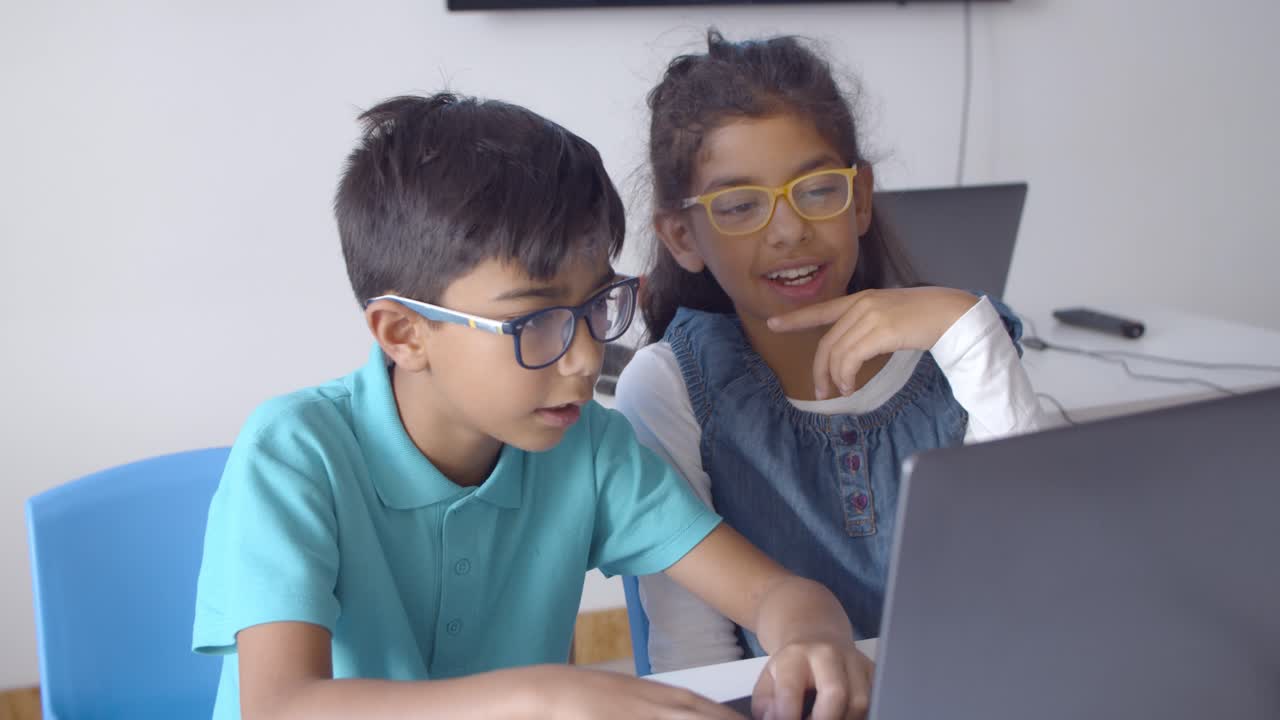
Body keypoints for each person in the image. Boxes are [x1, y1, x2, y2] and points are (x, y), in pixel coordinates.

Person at [193, 92, 875, 720]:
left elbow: (773, 595)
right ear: (405, 334)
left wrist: (811, 632)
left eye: (596, 306)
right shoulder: (296, 451)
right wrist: (538, 695)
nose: (584, 358)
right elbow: (282, 706)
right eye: (533, 322)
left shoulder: (588, 448)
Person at [615, 31, 1043, 673]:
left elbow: (1028, 573)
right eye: (738, 206)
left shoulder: (958, 347)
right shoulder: (670, 386)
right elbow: (694, 656)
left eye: (817, 190)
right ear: (682, 236)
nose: (788, 231)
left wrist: (967, 327)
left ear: (860, 198)